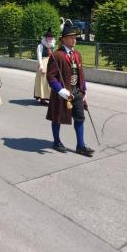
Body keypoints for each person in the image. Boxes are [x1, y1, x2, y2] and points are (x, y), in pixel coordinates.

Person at [46, 19, 94, 157]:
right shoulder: (56, 56)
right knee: (58, 118)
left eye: (75, 38)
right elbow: (51, 77)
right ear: (64, 39)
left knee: (80, 118)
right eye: (71, 38)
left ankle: (81, 145)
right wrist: (61, 91)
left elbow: (81, 74)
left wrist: (84, 91)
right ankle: (56, 141)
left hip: (76, 92)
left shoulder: (77, 54)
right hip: (62, 93)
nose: (74, 40)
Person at [34, 29, 56, 106]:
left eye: (51, 37)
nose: (50, 38)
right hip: (43, 62)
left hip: (51, 63)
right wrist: (41, 66)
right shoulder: (40, 46)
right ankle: (42, 98)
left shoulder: (52, 45)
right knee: (43, 81)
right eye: (48, 37)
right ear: (45, 38)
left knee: (51, 81)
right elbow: (39, 56)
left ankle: (49, 97)